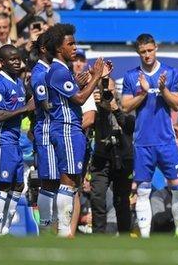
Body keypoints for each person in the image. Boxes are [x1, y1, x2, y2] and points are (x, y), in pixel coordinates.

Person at [121, 33, 178, 238]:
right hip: (143, 143)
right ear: (138, 52)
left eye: (150, 50)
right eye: (143, 52)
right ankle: (145, 235)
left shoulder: (170, 72)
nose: (147, 55)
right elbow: (125, 107)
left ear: (156, 48)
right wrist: (142, 93)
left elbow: (177, 103)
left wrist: (163, 89)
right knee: (142, 190)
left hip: (166, 141)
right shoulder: (132, 76)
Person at [45, 24, 107, 237]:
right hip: (66, 129)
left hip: (65, 128)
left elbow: (73, 95)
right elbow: (79, 99)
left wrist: (78, 83)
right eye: (69, 44)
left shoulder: (62, 71)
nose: (74, 47)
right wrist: (96, 77)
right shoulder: (58, 70)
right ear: (58, 48)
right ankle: (63, 230)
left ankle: (63, 230)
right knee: (69, 181)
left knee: (70, 182)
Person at [0, 45, 35, 237]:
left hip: (13, 140)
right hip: (0, 139)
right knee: (3, 184)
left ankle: (4, 227)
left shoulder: (18, 83)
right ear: (3, 62)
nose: (16, 62)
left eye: (18, 58)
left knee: (18, 186)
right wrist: (26, 109)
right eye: (12, 59)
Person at [89, 76, 134, 235]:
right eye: (103, 90)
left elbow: (129, 127)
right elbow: (87, 124)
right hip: (101, 158)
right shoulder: (94, 105)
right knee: (97, 198)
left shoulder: (126, 104)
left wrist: (114, 108)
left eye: (110, 90)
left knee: (121, 201)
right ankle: (98, 237)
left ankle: (124, 237)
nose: (107, 93)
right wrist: (95, 105)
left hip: (124, 157)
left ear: (116, 91)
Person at [29, 32, 58, 229]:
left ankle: (57, 227)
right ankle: (46, 228)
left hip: (56, 130)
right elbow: (46, 105)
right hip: (46, 131)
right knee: (48, 182)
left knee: (59, 182)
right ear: (44, 49)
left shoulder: (52, 70)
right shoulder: (40, 73)